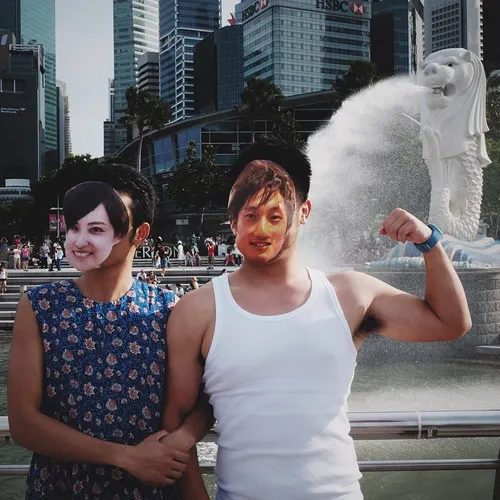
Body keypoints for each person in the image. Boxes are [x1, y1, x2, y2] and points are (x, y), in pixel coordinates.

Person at [162, 143, 472, 500]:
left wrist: (428, 241)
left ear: (304, 211)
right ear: (232, 217)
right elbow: (175, 426)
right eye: (249, 214)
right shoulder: (197, 311)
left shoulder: (350, 294)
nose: (261, 228)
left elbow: (450, 323)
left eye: (275, 214)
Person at [7, 163, 208, 499]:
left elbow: (204, 400)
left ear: (139, 234)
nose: (81, 240)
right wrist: (126, 457)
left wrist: (184, 436)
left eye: (100, 228)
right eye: (74, 227)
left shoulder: (170, 309)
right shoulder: (39, 306)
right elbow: (24, 423)